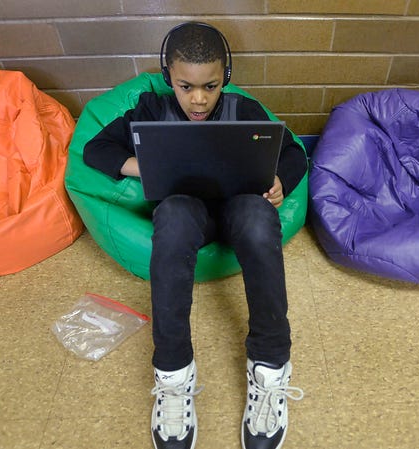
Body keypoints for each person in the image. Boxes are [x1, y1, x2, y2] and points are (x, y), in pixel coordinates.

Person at [83, 22, 306, 449]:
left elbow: (294, 152)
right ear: (169, 78)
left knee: (259, 219)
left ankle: (271, 364)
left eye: (210, 86)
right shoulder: (150, 109)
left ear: (226, 78)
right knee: (173, 216)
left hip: (241, 209)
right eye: (186, 87)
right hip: (188, 215)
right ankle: (173, 373)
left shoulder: (243, 110)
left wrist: (279, 180)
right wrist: (143, 166)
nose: (199, 99)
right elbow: (96, 149)